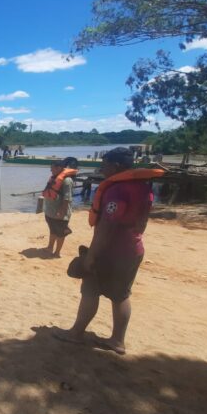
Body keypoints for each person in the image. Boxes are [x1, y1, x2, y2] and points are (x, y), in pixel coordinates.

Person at [54, 147, 165, 354]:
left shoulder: (117, 190)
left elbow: (106, 226)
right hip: (133, 248)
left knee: (90, 291)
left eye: (104, 165)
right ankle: (117, 340)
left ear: (116, 166)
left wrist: (92, 255)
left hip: (111, 251)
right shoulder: (143, 187)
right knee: (120, 296)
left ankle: (76, 333)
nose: (102, 169)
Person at [42, 161, 76, 258]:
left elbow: (67, 198)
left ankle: (57, 253)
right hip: (50, 212)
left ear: (59, 168)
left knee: (60, 233)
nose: (51, 170)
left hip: (59, 213)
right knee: (52, 231)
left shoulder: (67, 181)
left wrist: (62, 212)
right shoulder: (54, 178)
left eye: (52, 168)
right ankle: (50, 247)